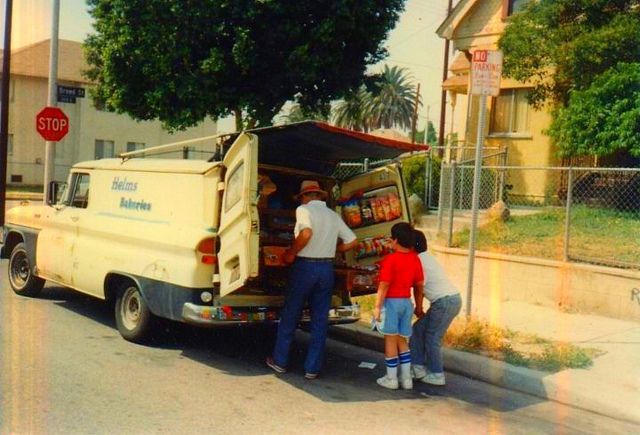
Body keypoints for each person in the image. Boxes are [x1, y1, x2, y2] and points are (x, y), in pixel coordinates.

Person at [266, 180, 357, 379]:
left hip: (305, 267)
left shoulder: (303, 210)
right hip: (326, 268)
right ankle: (312, 368)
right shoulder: (333, 215)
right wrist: (333, 250)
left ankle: (280, 361)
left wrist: (291, 253)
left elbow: (306, 232)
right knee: (319, 319)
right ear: (320, 196)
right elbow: (352, 240)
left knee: (291, 314)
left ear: (305, 197)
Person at [373, 222, 424, 390]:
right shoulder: (415, 258)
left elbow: (384, 285)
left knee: (390, 340)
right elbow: (419, 284)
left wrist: (377, 307)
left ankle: (391, 378)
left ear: (394, 240)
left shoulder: (390, 259)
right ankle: (406, 378)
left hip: (392, 303)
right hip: (406, 303)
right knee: (402, 340)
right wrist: (418, 306)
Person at [410, 230, 462, 386]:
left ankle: (437, 374)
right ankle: (418, 368)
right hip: (448, 300)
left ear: (411, 246)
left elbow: (419, 287)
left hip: (444, 302)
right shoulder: (426, 257)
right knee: (419, 329)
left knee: (433, 337)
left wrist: (418, 308)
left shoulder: (419, 261)